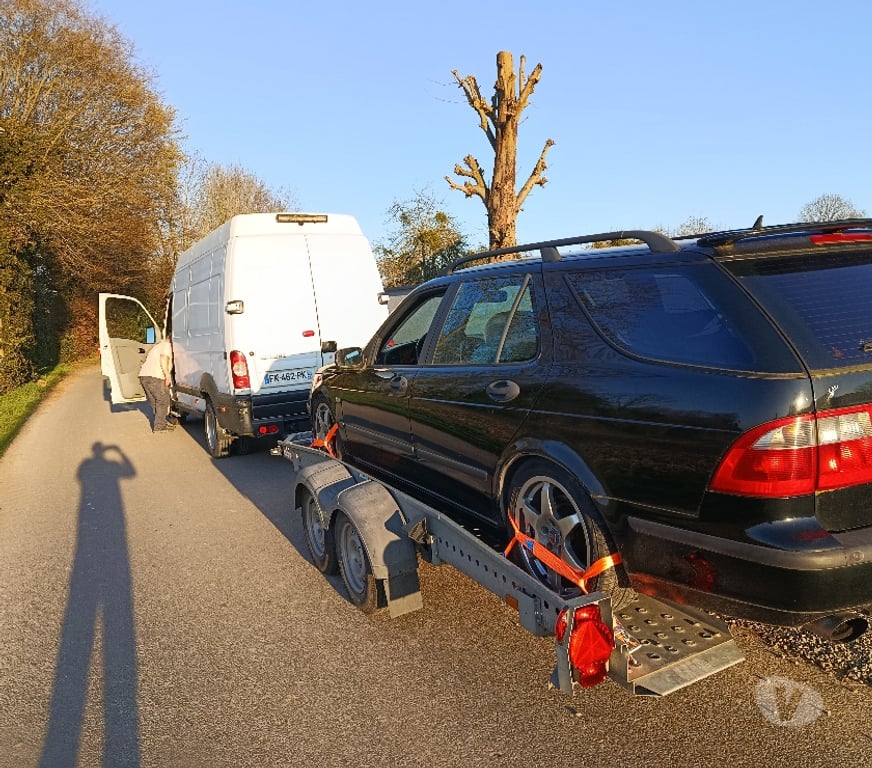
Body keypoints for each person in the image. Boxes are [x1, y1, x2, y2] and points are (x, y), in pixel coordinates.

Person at [139, 336, 175, 433]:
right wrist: (167, 375)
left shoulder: (157, 346)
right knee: (163, 400)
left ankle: (161, 422)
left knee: (155, 402)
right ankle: (159, 427)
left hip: (144, 376)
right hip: (155, 377)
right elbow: (163, 358)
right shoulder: (167, 345)